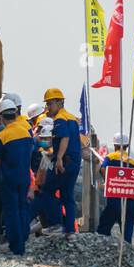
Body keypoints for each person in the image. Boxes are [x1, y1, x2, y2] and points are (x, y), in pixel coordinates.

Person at [0, 99, 34, 255]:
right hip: (24, 178)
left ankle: (16, 247)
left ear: (1, 118)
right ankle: (23, 238)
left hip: (8, 179)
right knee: (23, 207)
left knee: (11, 211)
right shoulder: (27, 132)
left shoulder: (2, 137)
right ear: (15, 114)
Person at [43, 88, 82, 235]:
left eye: (50, 103)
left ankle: (56, 224)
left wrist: (59, 158)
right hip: (74, 162)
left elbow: (64, 138)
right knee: (67, 195)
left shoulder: (60, 119)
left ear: (59, 102)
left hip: (64, 161)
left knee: (47, 190)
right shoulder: (72, 118)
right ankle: (70, 230)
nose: (48, 107)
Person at [96, 133, 134, 243]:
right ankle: (127, 252)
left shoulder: (110, 157)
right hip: (130, 204)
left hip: (115, 200)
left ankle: (103, 249)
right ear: (127, 146)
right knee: (127, 234)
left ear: (114, 146)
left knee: (103, 229)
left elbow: (103, 170)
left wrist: (108, 181)